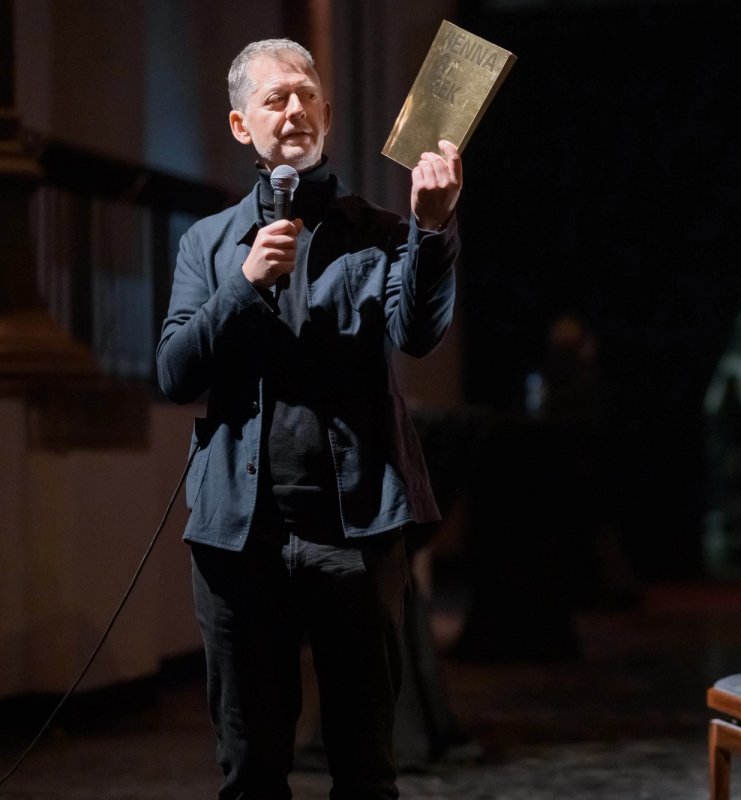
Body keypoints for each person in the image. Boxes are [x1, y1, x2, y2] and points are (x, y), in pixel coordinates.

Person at [156, 37, 462, 800]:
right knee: (253, 770)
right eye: (273, 99)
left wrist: (431, 229)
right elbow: (175, 374)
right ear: (240, 126)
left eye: (305, 96)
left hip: (354, 535)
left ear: (326, 113)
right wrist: (244, 284)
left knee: (365, 767)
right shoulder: (208, 242)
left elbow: (416, 334)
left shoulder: (381, 230)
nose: (293, 109)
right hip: (239, 539)